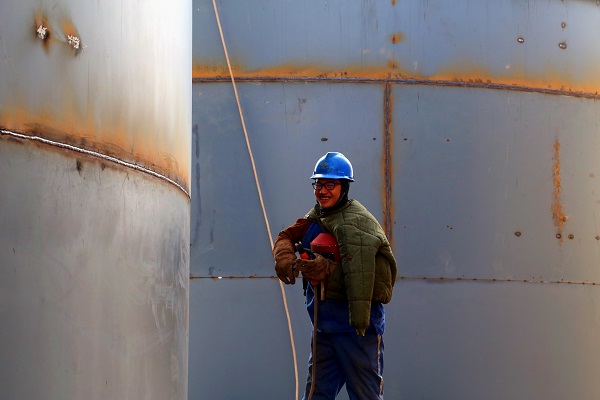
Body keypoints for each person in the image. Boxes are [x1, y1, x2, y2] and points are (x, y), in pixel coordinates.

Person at [273, 152, 397, 400]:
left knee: (366, 396)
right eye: (318, 184)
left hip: (358, 333)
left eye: (330, 185)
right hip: (324, 329)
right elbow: (287, 235)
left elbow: (372, 282)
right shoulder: (317, 217)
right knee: (316, 395)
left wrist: (328, 272)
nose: (322, 191)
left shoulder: (359, 225)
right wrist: (285, 256)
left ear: (344, 187)